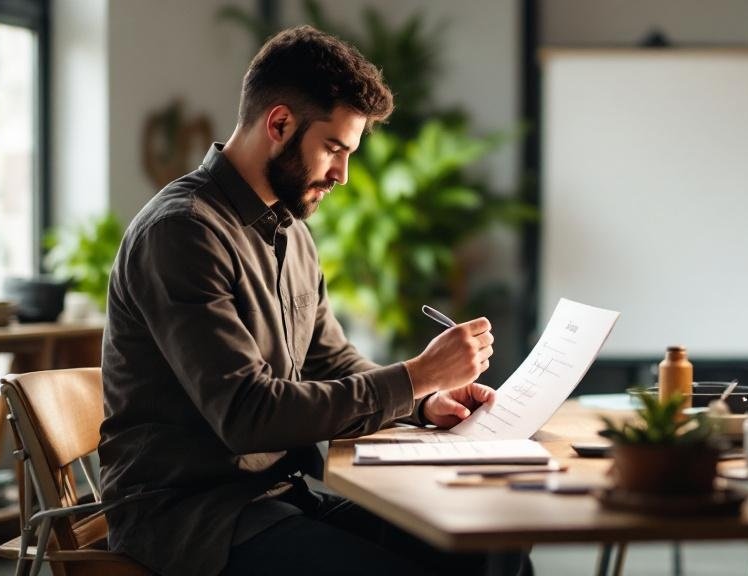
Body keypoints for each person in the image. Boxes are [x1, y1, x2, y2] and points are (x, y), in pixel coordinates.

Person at [99, 26, 520, 575]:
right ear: (278, 124)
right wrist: (415, 376)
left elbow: (332, 360)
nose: (342, 175)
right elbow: (247, 416)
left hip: (277, 498)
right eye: (334, 148)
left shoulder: (290, 230)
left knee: (482, 545)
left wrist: (422, 401)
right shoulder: (182, 233)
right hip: (191, 520)